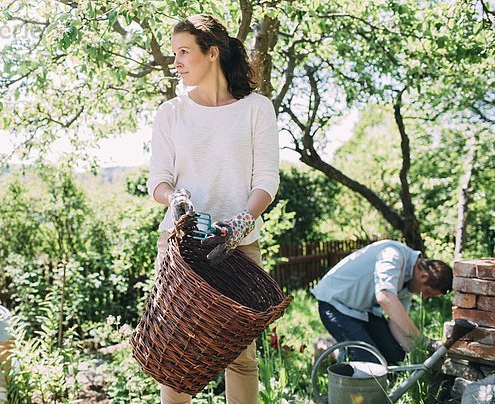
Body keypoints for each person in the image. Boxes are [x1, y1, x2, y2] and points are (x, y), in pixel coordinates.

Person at [146, 14, 279, 404]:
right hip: (181, 247)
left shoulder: (257, 109)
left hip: (237, 249)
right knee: (177, 354)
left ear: (213, 52)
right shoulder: (171, 113)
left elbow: (266, 181)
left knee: (240, 359)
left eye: (184, 52)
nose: (176, 62)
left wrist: (240, 223)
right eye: (174, 54)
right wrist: (175, 199)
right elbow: (158, 180)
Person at [311, 239, 453, 364]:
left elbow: (397, 324)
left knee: (396, 357)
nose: (424, 297)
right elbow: (384, 297)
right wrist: (423, 340)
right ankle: (328, 349)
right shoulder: (392, 254)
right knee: (370, 364)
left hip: (364, 310)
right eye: (427, 292)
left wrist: (420, 354)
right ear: (423, 276)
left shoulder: (408, 282)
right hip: (336, 305)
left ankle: (339, 344)